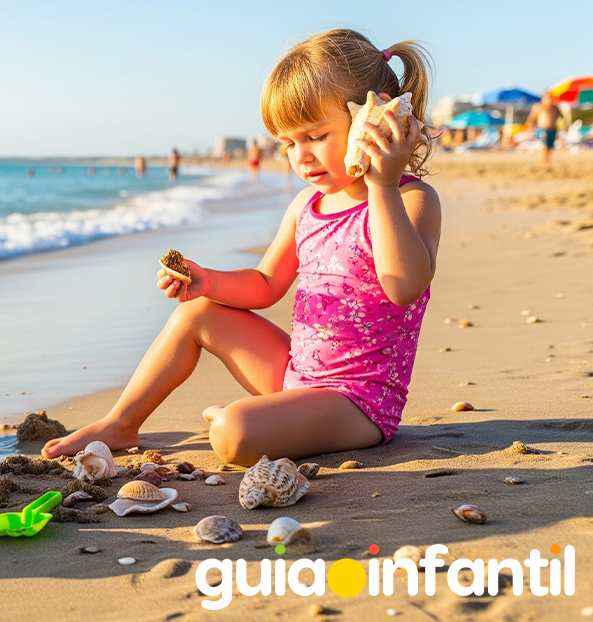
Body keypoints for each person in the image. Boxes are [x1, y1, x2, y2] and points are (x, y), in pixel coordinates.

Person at [42, 30, 440, 465]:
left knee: (232, 433)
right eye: (288, 143)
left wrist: (382, 185)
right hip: (295, 374)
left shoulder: (409, 199)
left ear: (375, 118)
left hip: (359, 404)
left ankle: (253, 420)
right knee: (197, 314)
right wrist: (207, 282)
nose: (301, 156)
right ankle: (121, 422)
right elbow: (266, 283)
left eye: (316, 135)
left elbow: (404, 286)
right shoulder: (306, 206)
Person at [527, 92, 561, 168]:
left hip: (552, 130)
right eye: (548, 97)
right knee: (544, 145)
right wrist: (530, 127)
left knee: (550, 147)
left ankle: (547, 162)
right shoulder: (538, 107)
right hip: (542, 129)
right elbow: (531, 118)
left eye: (551, 97)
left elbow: (560, 118)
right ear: (543, 98)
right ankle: (543, 163)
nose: (550, 99)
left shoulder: (555, 108)